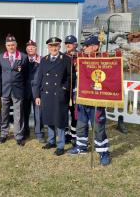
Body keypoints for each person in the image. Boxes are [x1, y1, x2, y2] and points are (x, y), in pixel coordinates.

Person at [68, 35, 111, 166]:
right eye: (84, 46)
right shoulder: (80, 59)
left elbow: (107, 80)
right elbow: (77, 79)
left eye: (87, 46)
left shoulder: (104, 60)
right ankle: (81, 146)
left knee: (98, 127)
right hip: (82, 98)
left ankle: (103, 152)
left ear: (95, 46)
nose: (84, 48)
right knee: (81, 125)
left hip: (96, 100)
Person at [34, 37, 71, 156]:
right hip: (46, 93)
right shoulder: (44, 60)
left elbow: (70, 77)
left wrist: (64, 88)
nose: (53, 48)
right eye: (51, 46)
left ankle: (60, 145)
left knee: (59, 119)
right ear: (48, 47)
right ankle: (51, 141)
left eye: (56, 46)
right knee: (48, 118)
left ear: (59, 47)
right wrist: (37, 95)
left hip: (59, 94)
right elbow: (39, 78)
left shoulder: (65, 59)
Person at [0, 34, 28, 146]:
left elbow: (26, 75)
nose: (11, 47)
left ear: (16, 45)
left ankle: (18, 136)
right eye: (9, 45)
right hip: (5, 90)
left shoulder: (23, 57)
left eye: (13, 45)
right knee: (4, 113)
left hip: (18, 90)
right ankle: (3, 134)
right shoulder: (0, 57)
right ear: (6, 46)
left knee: (18, 114)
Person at [23, 39, 45, 143]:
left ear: (36, 48)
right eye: (28, 47)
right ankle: (25, 132)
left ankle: (39, 133)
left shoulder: (42, 60)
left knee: (38, 113)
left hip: (38, 91)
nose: (30, 48)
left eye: (33, 47)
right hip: (25, 91)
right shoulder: (22, 59)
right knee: (24, 113)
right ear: (26, 49)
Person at [64, 35, 79, 146]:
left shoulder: (80, 57)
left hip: (75, 90)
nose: (68, 45)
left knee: (75, 114)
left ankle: (74, 135)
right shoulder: (62, 57)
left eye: (70, 43)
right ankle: (65, 135)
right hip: (64, 90)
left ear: (75, 45)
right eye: (66, 43)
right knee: (64, 113)